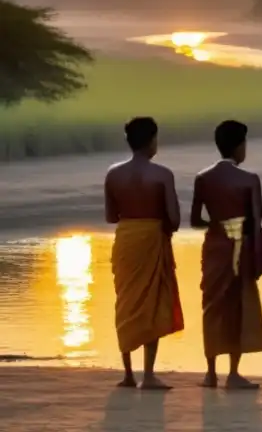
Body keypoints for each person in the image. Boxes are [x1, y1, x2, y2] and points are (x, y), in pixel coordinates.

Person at [190, 120, 262, 390]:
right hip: (240, 247)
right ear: (240, 146)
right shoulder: (249, 179)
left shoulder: (203, 178)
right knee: (238, 306)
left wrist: (218, 226)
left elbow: (195, 219)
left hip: (214, 245)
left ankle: (210, 373)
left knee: (212, 305)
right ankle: (234, 373)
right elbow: (255, 220)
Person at [104, 116, 184, 390]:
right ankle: (148, 374)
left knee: (125, 300)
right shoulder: (162, 174)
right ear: (152, 141)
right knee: (153, 302)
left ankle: (128, 373)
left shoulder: (113, 174)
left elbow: (111, 216)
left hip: (126, 238)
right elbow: (174, 220)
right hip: (152, 237)